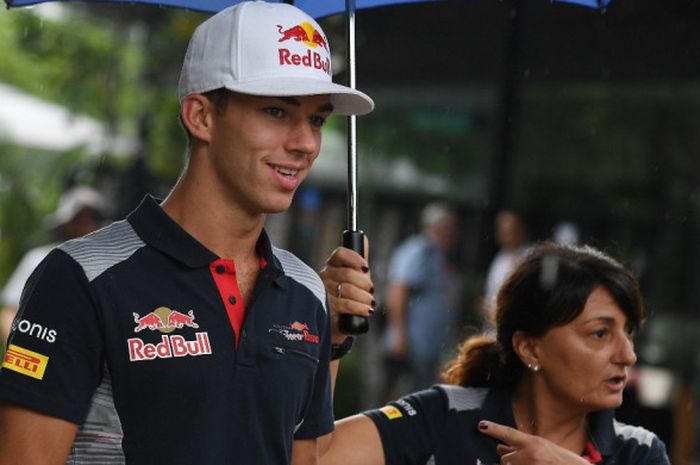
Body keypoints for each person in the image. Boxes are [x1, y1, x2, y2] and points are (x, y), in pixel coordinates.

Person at [0, 2, 375, 464]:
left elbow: (304, 456)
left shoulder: (305, 292)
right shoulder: (82, 276)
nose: (305, 143)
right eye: (277, 112)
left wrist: (334, 338)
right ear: (200, 116)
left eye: (317, 118)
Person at [318, 242, 670, 465]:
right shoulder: (446, 415)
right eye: (600, 333)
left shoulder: (638, 451)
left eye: (629, 332)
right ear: (529, 347)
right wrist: (332, 337)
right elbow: (316, 458)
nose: (627, 355)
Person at [0, 185, 108, 343]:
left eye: (93, 217)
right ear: (64, 222)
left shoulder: (111, 264)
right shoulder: (38, 259)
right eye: (79, 218)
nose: (86, 224)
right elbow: (10, 312)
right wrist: (20, 348)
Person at [382, 202, 461, 395]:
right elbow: (398, 290)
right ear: (437, 226)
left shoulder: (441, 255)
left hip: (430, 347)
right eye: (449, 227)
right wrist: (398, 335)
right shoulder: (419, 250)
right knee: (404, 400)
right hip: (412, 344)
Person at [482, 209, 530, 329]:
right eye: (502, 231)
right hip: (493, 328)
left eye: (510, 230)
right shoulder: (499, 258)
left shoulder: (530, 257)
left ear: (521, 231)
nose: (505, 235)